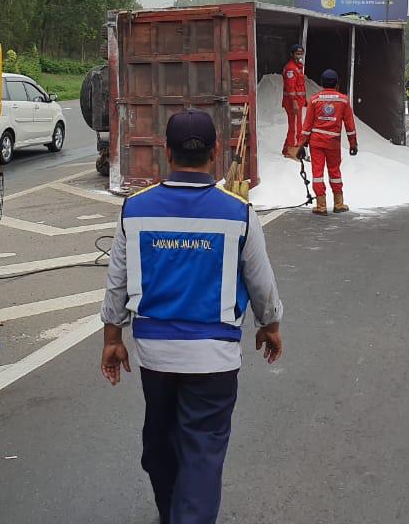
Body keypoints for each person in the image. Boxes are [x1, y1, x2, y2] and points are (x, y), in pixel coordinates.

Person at [100, 109, 284, 524]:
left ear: (167, 152)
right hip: (214, 359)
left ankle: (172, 513)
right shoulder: (238, 212)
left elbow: (116, 281)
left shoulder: (135, 209)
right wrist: (269, 326)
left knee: (160, 444)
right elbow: (262, 282)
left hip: (156, 357)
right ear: (216, 152)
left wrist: (112, 338)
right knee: (201, 451)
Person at [300, 69, 358, 215]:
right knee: (334, 171)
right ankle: (338, 204)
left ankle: (321, 206)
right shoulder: (343, 100)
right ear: (337, 83)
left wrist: (302, 144)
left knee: (317, 173)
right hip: (333, 143)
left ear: (322, 83)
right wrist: (353, 144)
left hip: (316, 143)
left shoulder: (314, 100)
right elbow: (350, 126)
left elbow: (307, 125)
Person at [281, 44, 307, 158]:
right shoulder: (291, 68)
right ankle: (292, 152)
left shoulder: (298, 67)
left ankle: (287, 150)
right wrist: (294, 102)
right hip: (292, 103)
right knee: (296, 128)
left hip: (298, 102)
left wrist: (304, 100)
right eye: (297, 53)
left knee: (295, 126)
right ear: (292, 54)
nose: (300, 56)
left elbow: (299, 87)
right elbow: (290, 87)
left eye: (301, 53)